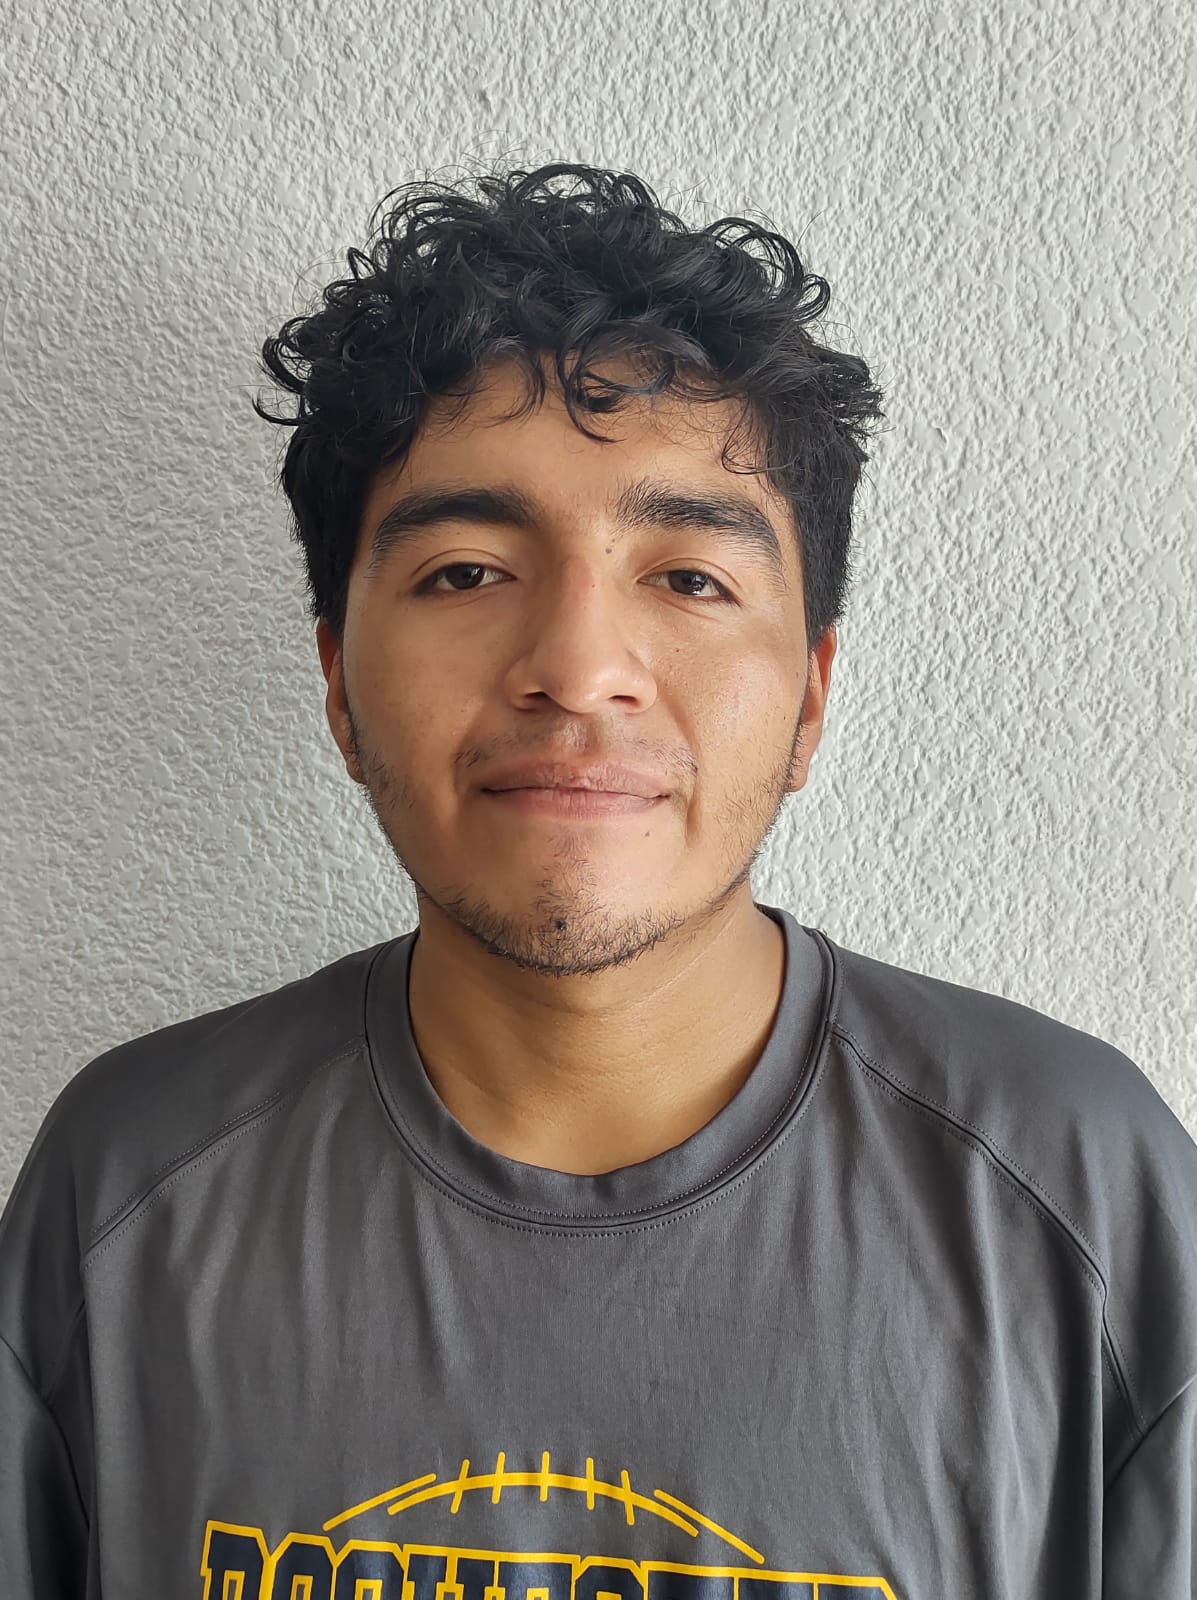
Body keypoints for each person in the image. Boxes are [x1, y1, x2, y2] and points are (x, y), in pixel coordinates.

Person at [1, 161, 1193, 1600]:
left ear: (811, 696)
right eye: (463, 572)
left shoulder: (1081, 1194)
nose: (576, 668)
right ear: (337, 681)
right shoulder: (129, 1184)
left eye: (689, 578)